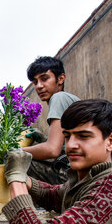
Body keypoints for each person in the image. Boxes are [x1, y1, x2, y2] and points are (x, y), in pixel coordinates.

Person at [23, 56, 81, 184]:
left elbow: (52, 150)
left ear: (60, 78)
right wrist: (43, 138)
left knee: (14, 161)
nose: (39, 86)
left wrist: (14, 152)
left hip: (72, 175)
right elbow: (64, 145)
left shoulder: (59, 98)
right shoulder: (68, 99)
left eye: (44, 79)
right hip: (79, 172)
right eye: (35, 82)